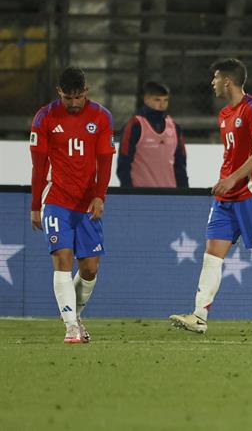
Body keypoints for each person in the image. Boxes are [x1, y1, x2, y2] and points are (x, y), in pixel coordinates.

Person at [169, 58, 252, 336]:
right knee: (212, 255)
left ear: (227, 81)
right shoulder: (224, 115)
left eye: (215, 78)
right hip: (226, 198)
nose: (212, 83)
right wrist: (225, 180)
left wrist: (233, 179)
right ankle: (199, 316)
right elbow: (233, 156)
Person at [29, 67, 116, 343]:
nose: (75, 103)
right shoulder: (44, 117)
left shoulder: (101, 116)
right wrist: (35, 205)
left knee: (89, 268)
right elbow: (39, 165)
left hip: (87, 201)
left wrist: (100, 195)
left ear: (86, 92)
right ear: (60, 93)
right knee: (62, 260)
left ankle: (74, 314)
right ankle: (70, 327)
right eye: (69, 98)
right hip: (56, 199)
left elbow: (104, 160)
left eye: (79, 97)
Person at [116, 81, 188, 188]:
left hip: (170, 194)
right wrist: (128, 192)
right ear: (146, 99)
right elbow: (124, 162)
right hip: (141, 194)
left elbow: (180, 164)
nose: (162, 104)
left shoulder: (174, 127)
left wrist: (184, 193)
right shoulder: (135, 125)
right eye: (157, 100)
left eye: (166, 100)